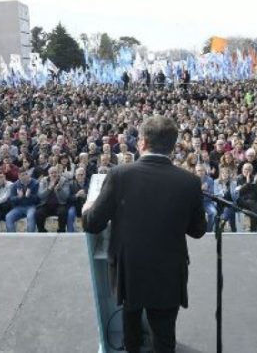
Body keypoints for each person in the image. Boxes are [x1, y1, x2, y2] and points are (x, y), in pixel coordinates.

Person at [82, 116, 206, 353]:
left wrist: (87, 208)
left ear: (142, 143)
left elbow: (93, 223)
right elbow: (198, 231)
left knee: (131, 323)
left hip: (131, 271)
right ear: (172, 145)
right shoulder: (189, 182)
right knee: (164, 333)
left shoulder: (119, 175)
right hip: (169, 271)